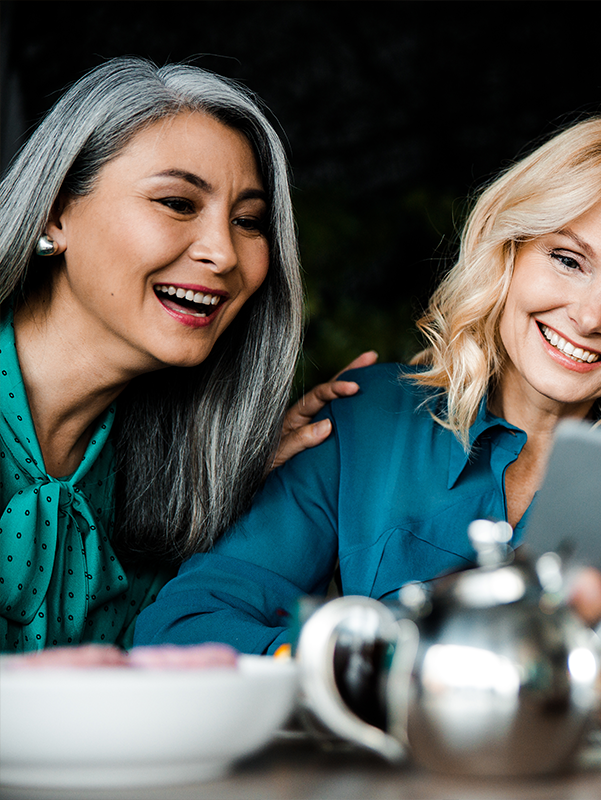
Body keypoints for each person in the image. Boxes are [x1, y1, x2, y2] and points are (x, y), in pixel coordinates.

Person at [136, 116, 601, 727]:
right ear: (509, 251)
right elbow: (184, 626)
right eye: (567, 260)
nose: (588, 316)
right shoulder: (363, 417)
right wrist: (349, 665)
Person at [0, 57, 367, 653]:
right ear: (55, 212)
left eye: (249, 221)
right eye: (177, 203)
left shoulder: (173, 475)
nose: (223, 252)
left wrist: (251, 483)